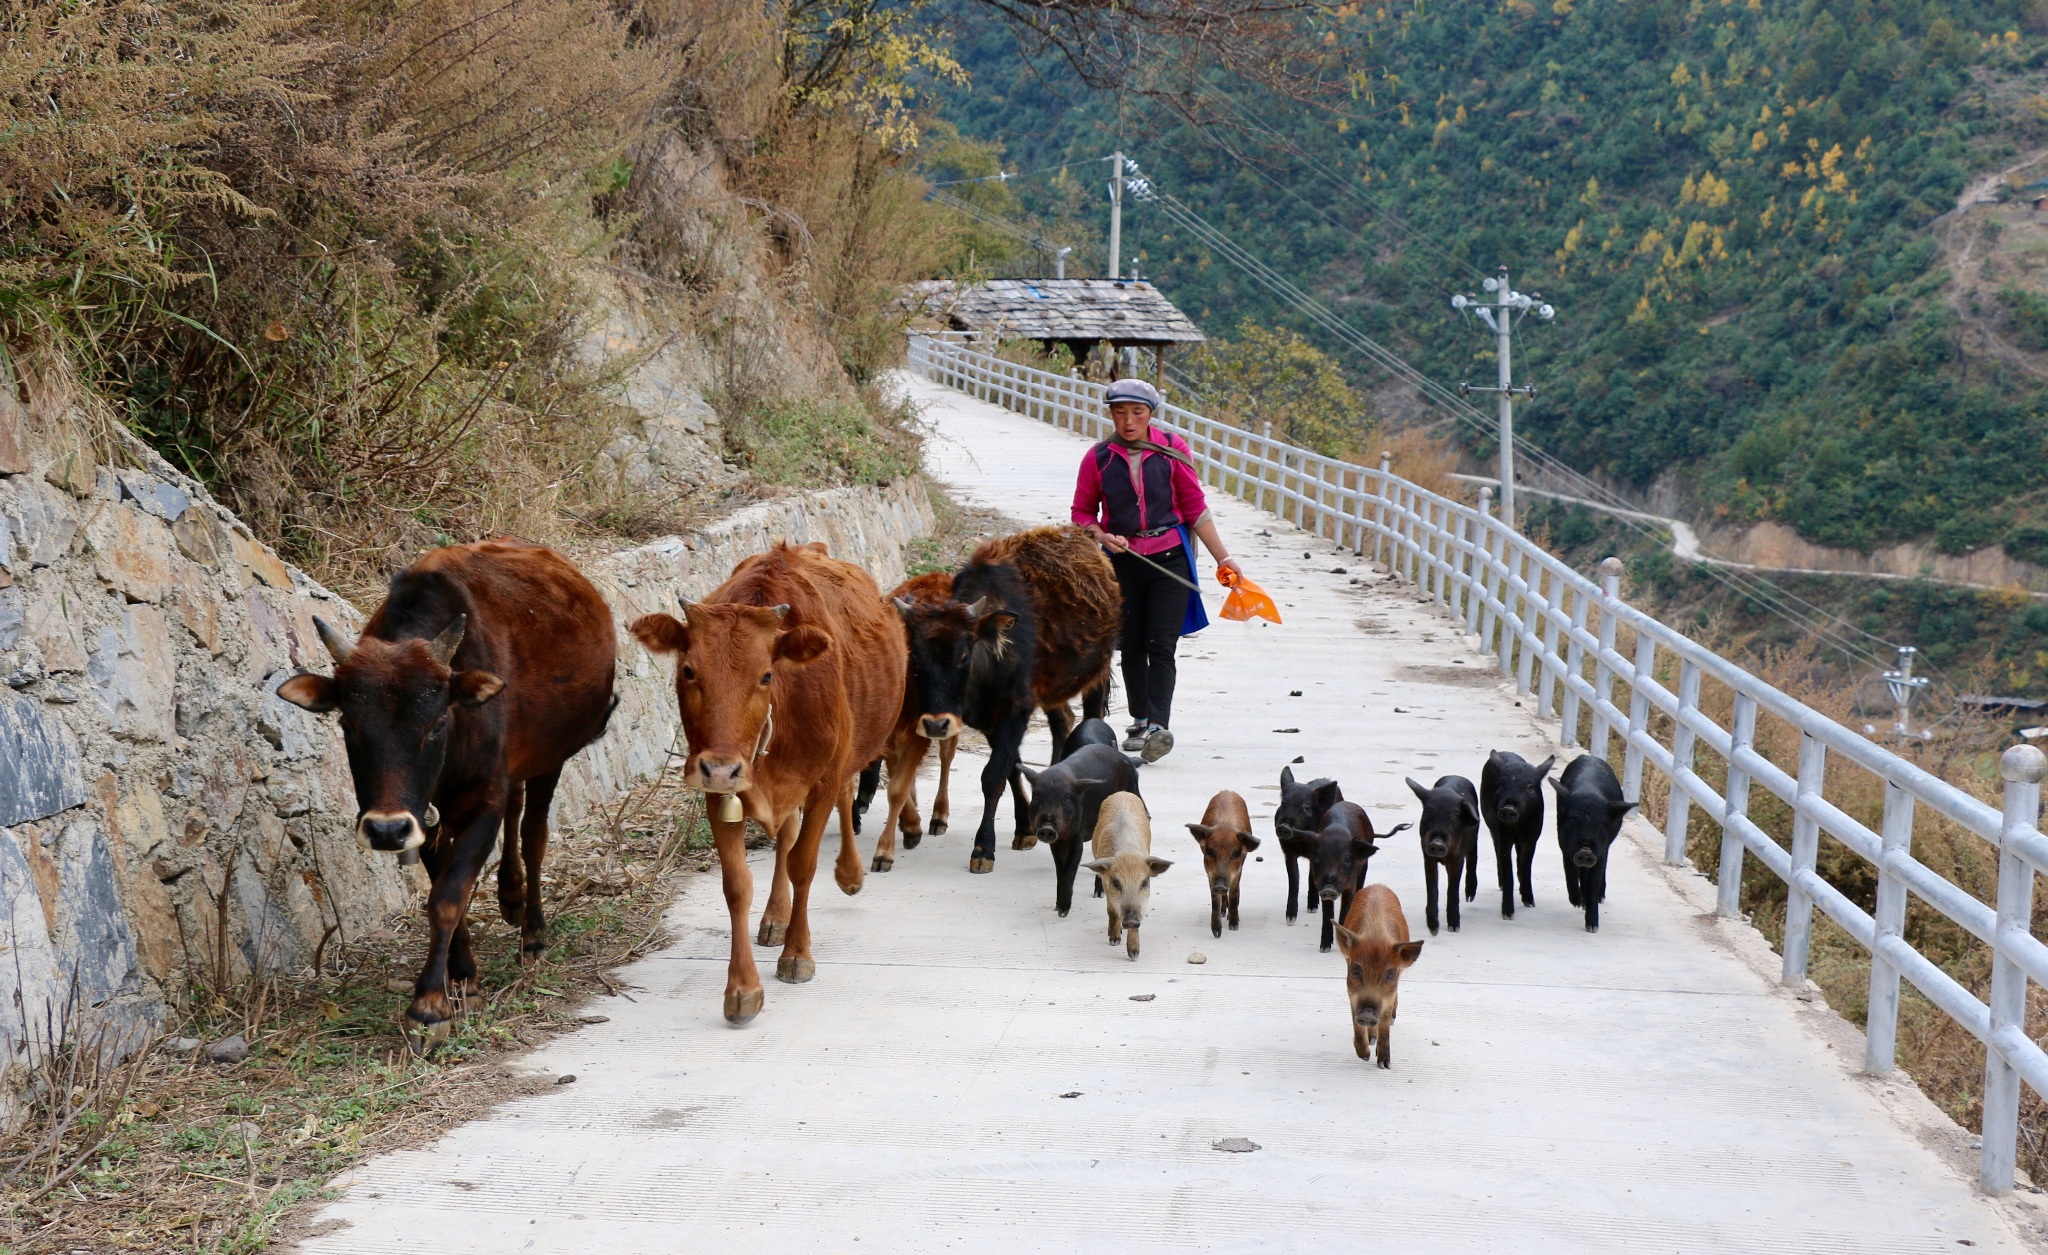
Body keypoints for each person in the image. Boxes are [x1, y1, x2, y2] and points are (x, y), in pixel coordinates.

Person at [1071, 377, 1246, 762]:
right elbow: (1082, 512)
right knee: (1131, 645)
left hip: (1170, 559)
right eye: (1120, 412)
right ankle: (1139, 719)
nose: (1128, 420)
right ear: (1111, 415)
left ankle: (1157, 728)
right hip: (1125, 562)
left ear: (1151, 414)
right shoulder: (1098, 458)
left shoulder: (1171, 450)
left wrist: (1224, 559)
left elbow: (1195, 507)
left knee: (1162, 645)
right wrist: (1101, 534)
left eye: (1137, 412)